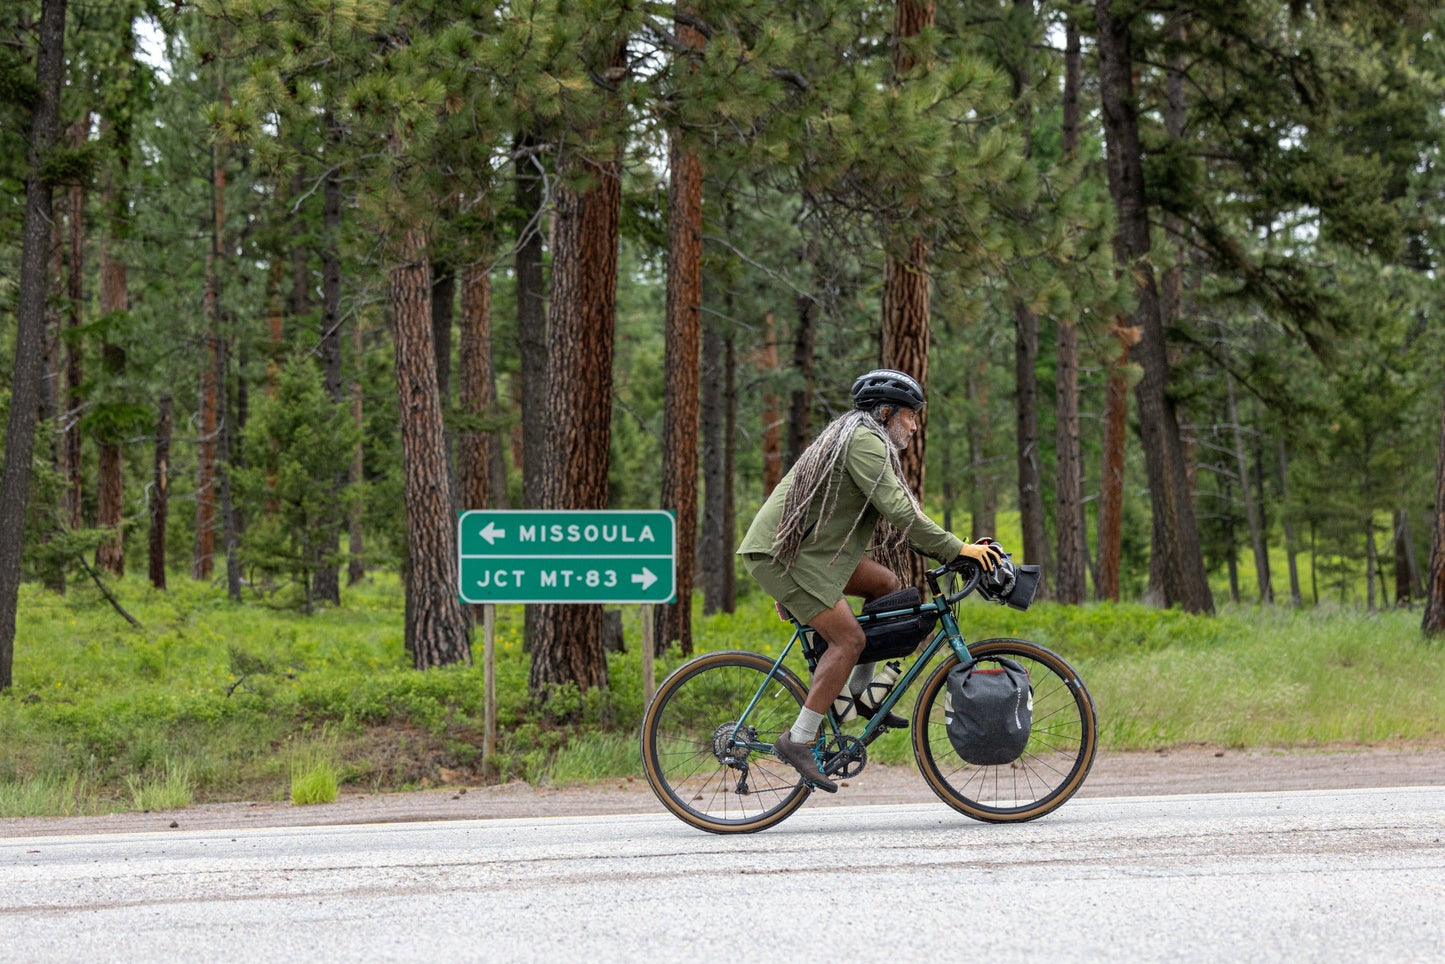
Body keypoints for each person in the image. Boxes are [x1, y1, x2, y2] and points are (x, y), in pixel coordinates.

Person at [737, 369, 1002, 792]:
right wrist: (959, 550)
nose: (915, 426)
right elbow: (900, 512)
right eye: (911, 416)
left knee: (887, 586)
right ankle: (798, 739)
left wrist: (951, 548)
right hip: (787, 555)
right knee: (849, 640)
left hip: (814, 553)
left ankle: (858, 700)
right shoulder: (863, 440)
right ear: (885, 411)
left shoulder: (862, 436)